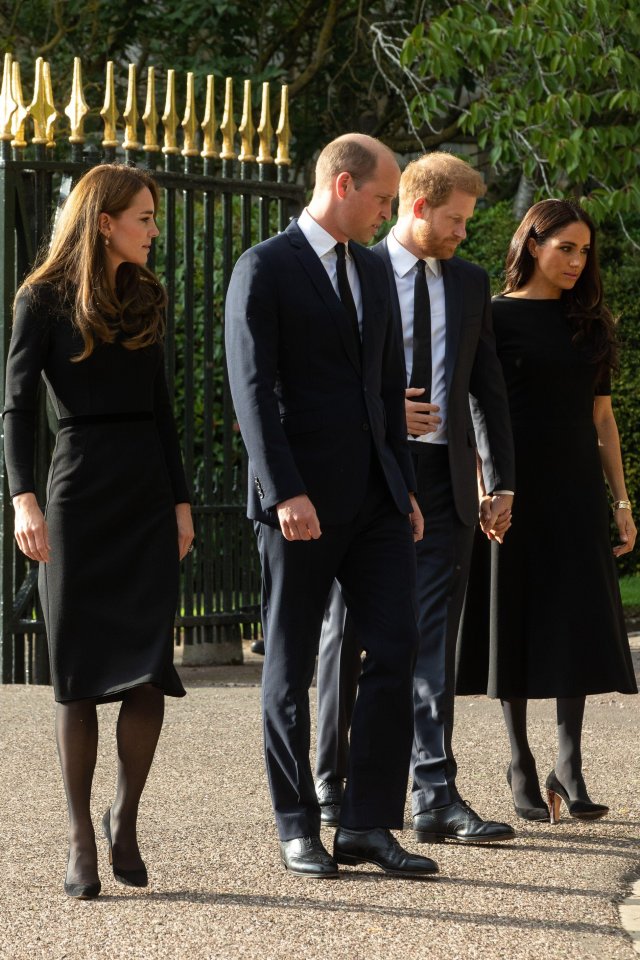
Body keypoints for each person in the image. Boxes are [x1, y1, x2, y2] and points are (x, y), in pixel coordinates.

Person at [225, 133, 438, 879]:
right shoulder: (264, 267)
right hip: (300, 501)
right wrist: (285, 490)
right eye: (382, 199)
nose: (387, 214)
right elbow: (252, 395)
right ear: (344, 186)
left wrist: (404, 486)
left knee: (398, 643)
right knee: (288, 667)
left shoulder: (376, 272)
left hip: (377, 498)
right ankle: (296, 824)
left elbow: (387, 388)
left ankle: (367, 823)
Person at [314, 152, 518, 845]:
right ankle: (330, 787)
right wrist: (381, 416)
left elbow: (486, 390)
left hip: (447, 483)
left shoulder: (469, 283)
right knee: (347, 633)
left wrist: (501, 479)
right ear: (418, 207)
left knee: (434, 640)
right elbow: (328, 379)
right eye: (456, 219)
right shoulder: (357, 271)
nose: (465, 232)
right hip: (371, 477)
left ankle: (434, 794)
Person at [4, 164, 194, 899]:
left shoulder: (148, 294)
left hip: (146, 493)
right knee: (78, 675)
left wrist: (181, 502)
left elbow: (164, 408)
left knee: (150, 666)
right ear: (105, 220)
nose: (153, 229)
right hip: (78, 491)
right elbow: (16, 409)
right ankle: (81, 837)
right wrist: (23, 497)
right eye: (143, 217)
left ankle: (127, 819)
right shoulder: (42, 297)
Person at [456, 198, 637, 824]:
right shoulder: (493, 317)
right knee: (514, 617)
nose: (577, 261)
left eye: (585, 251)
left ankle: (569, 765)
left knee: (575, 621)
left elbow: (602, 418)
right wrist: (486, 485)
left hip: (575, 490)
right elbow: (475, 409)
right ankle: (520, 762)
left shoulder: (590, 322)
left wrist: (621, 501)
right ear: (532, 244)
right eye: (566, 248)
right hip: (512, 489)